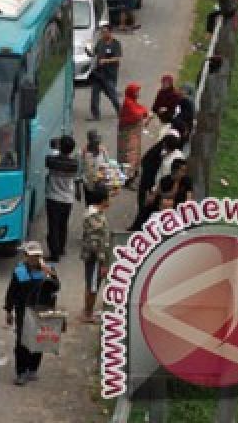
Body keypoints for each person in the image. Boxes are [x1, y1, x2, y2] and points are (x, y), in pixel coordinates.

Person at [3, 242, 59, 386]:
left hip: (42, 310)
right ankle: (21, 372)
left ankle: (33, 368)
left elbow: (56, 287)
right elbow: (12, 292)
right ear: (26, 256)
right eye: (32, 256)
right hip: (23, 310)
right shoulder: (20, 272)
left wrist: (50, 275)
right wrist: (8, 310)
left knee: (39, 340)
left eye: (38, 256)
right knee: (22, 341)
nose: (35, 259)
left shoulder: (48, 270)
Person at [44, 136, 79, 265]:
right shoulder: (74, 164)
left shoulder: (52, 161)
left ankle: (54, 254)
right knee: (63, 224)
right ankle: (61, 248)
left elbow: (49, 158)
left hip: (53, 198)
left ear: (60, 147)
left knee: (53, 226)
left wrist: (55, 148)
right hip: (67, 199)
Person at [79, 185, 111, 324]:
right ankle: (88, 313)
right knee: (92, 286)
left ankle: (88, 310)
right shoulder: (95, 217)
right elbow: (96, 243)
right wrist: (103, 262)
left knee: (91, 284)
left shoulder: (94, 213)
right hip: (95, 257)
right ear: (103, 200)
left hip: (92, 256)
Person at [116, 83, 149, 181]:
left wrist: (143, 112)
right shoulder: (128, 103)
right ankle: (128, 178)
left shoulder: (132, 102)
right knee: (129, 155)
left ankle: (132, 173)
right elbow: (137, 114)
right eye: (136, 92)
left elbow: (142, 110)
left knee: (133, 154)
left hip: (133, 135)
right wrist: (143, 113)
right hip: (128, 134)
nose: (138, 94)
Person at [89, 25, 122, 121]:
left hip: (109, 74)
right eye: (102, 32)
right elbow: (95, 53)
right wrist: (89, 52)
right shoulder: (100, 42)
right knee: (94, 95)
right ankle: (95, 115)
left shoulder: (116, 44)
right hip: (98, 73)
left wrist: (106, 61)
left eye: (105, 32)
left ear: (110, 32)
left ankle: (120, 112)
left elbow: (117, 58)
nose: (103, 34)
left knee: (112, 95)